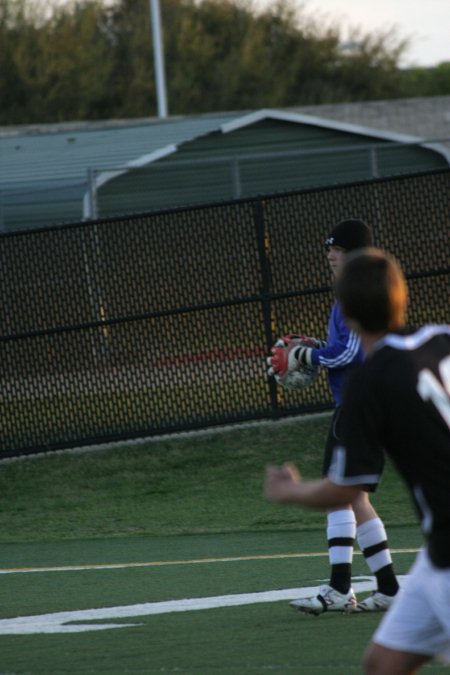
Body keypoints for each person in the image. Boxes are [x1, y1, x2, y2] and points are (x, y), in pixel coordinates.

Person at [265, 248, 450, 675]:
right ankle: (382, 585)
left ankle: (342, 585)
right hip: (434, 552)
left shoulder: (370, 383)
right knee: (382, 664)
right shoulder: (440, 338)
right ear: (401, 297)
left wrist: (288, 490)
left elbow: (344, 489)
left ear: (345, 313)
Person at [268, 218, 399, 614]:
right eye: (329, 250)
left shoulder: (355, 296)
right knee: (355, 497)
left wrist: (305, 355)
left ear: (355, 255)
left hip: (358, 406)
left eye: (337, 250)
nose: (330, 255)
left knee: (337, 494)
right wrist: (317, 347)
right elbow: (343, 347)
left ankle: (340, 588)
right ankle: (389, 588)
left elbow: (348, 355)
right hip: (367, 404)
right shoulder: (361, 293)